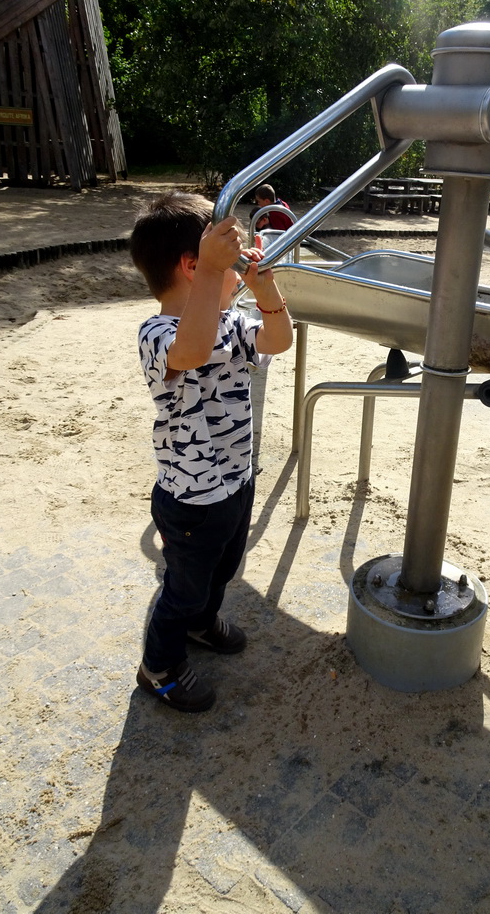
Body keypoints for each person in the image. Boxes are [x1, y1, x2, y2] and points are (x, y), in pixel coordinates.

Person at [129, 191, 293, 712]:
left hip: (235, 481)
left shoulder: (229, 320)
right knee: (183, 588)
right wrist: (214, 275)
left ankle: (201, 624)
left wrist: (263, 288)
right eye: (232, 262)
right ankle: (158, 667)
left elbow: (278, 339)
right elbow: (192, 351)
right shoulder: (157, 333)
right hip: (190, 496)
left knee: (223, 568)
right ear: (192, 266)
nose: (237, 271)